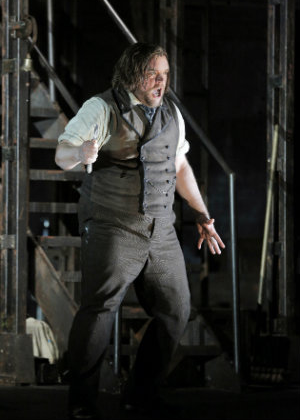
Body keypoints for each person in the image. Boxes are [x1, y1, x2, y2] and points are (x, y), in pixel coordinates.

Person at [55, 42, 225, 420]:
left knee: (176, 309)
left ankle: (140, 394)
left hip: (161, 228)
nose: (161, 82)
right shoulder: (101, 109)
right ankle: (82, 400)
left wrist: (200, 212)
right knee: (100, 309)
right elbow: (62, 153)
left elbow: (179, 166)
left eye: (165, 74)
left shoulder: (171, 114)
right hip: (113, 222)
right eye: (153, 74)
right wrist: (82, 153)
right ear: (133, 73)